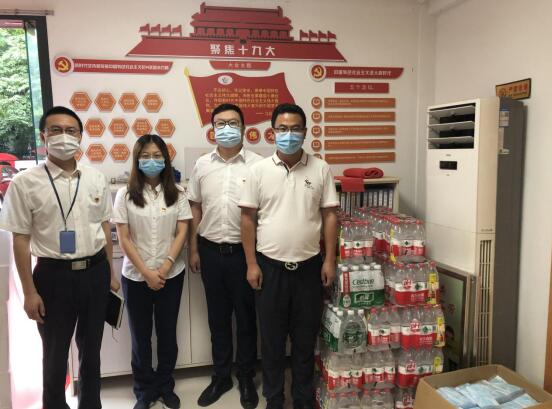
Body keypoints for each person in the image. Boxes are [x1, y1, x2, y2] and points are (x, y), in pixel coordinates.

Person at [0, 106, 119, 409]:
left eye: (71, 131)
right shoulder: (25, 183)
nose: (63, 137)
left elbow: (104, 228)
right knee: (54, 355)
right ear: (43, 137)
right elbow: (20, 239)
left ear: (80, 137)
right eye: (56, 130)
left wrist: (110, 273)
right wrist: (29, 292)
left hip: (95, 272)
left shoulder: (95, 178)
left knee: (91, 353)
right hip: (53, 277)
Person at [239, 103, 339, 409]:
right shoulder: (258, 171)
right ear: (272, 132)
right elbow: (247, 219)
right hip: (269, 269)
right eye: (282, 129)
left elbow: (330, 216)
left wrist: (329, 260)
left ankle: (303, 398)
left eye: (295, 129)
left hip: (309, 269)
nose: (289, 134)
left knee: (305, 340)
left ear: (305, 132)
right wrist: (251, 264)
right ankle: (274, 398)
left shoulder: (320, 168)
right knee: (271, 342)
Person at [187, 103, 261, 409]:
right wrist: (193, 248)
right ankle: (221, 376)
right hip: (210, 251)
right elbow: (195, 207)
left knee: (246, 319)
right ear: (212, 129)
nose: (227, 128)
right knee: (217, 319)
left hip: (244, 254)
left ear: (244, 128)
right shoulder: (202, 165)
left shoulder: (258, 165)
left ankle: (246, 377)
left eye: (233, 122)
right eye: (220, 123)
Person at [112, 134, 192, 409]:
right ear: (137, 160)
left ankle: (165, 385)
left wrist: (166, 265)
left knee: (168, 334)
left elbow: (182, 231)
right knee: (140, 337)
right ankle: (144, 390)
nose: (151, 160)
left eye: (157, 155)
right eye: (145, 156)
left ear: (166, 160)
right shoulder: (125, 194)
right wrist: (146, 272)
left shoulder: (177, 193)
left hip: (172, 274)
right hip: (136, 278)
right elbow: (124, 238)